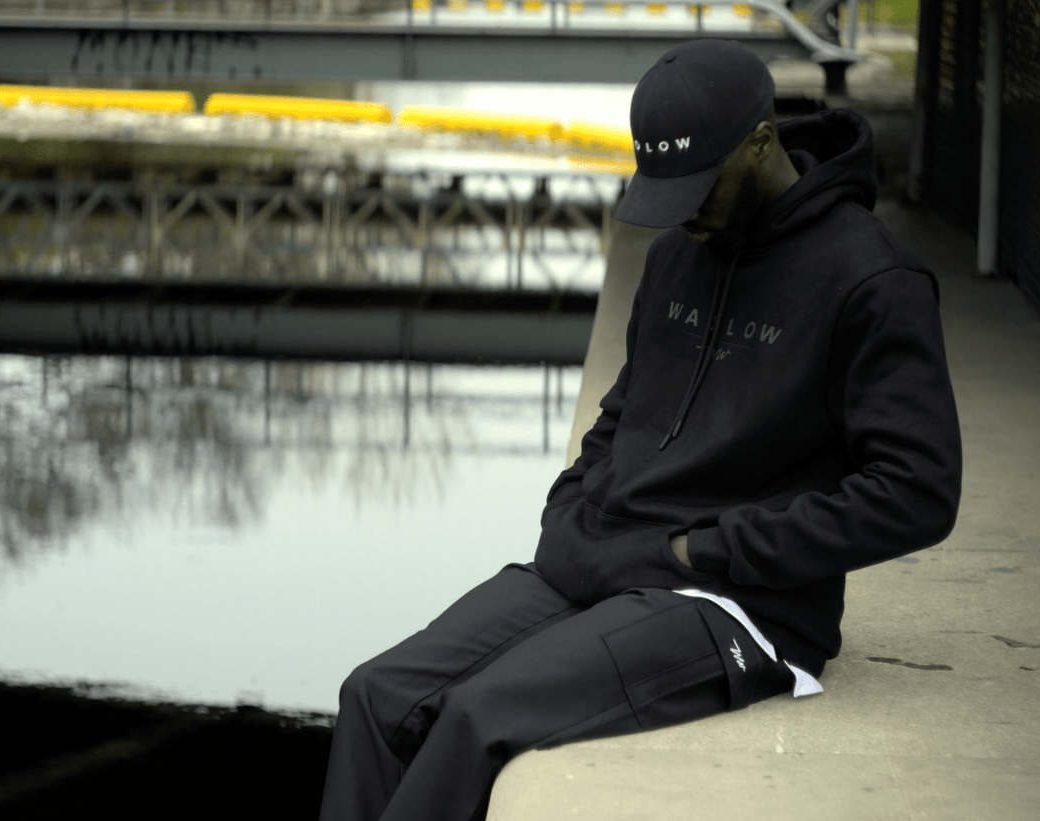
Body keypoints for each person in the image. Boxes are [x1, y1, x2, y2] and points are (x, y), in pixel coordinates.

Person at [319, 39, 962, 821]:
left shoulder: (872, 279)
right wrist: (571, 507)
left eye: (698, 186)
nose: (684, 210)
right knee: (377, 694)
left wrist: (711, 549)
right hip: (602, 553)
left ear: (761, 143)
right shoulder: (674, 258)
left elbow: (917, 490)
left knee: (477, 718)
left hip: (735, 601)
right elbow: (624, 410)